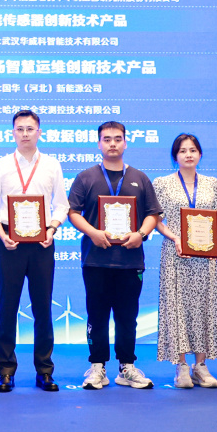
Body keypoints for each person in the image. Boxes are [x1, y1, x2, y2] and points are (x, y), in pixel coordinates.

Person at [67, 121, 161, 391]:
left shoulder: (140, 178)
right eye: (107, 139)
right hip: (95, 259)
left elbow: (153, 214)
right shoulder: (86, 177)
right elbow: (73, 212)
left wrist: (141, 234)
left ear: (125, 143)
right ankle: (97, 367)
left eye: (117, 139)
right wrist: (93, 232)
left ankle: (126, 367)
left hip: (130, 262)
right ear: (99, 143)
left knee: (127, 316)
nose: (112, 143)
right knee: (96, 315)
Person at [0, 109, 69, 393]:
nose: (24, 134)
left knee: (43, 307)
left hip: (43, 241)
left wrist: (52, 229)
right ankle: (6, 371)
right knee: (7, 306)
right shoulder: (1, 165)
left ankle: (44, 370)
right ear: (12, 133)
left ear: (39, 132)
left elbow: (61, 204)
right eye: (19, 129)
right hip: (9, 240)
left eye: (30, 129)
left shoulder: (52, 165)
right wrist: (1, 233)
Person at [153, 134, 217, 389]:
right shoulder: (162, 183)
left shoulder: (211, 183)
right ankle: (182, 366)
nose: (188, 155)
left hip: (205, 257)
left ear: (200, 154)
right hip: (176, 254)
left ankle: (201, 366)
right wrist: (176, 238)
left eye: (193, 150)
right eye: (183, 151)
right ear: (175, 156)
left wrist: (214, 239)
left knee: (204, 306)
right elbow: (155, 219)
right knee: (178, 308)